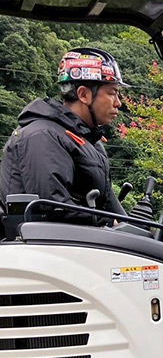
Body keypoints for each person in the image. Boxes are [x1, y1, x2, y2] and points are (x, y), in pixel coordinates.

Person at [0, 47, 129, 226]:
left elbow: (109, 204)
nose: (118, 102)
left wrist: (137, 229)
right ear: (83, 94)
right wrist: (107, 222)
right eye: (112, 93)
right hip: (41, 248)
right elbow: (52, 209)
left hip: (77, 243)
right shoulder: (42, 136)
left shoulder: (90, 141)